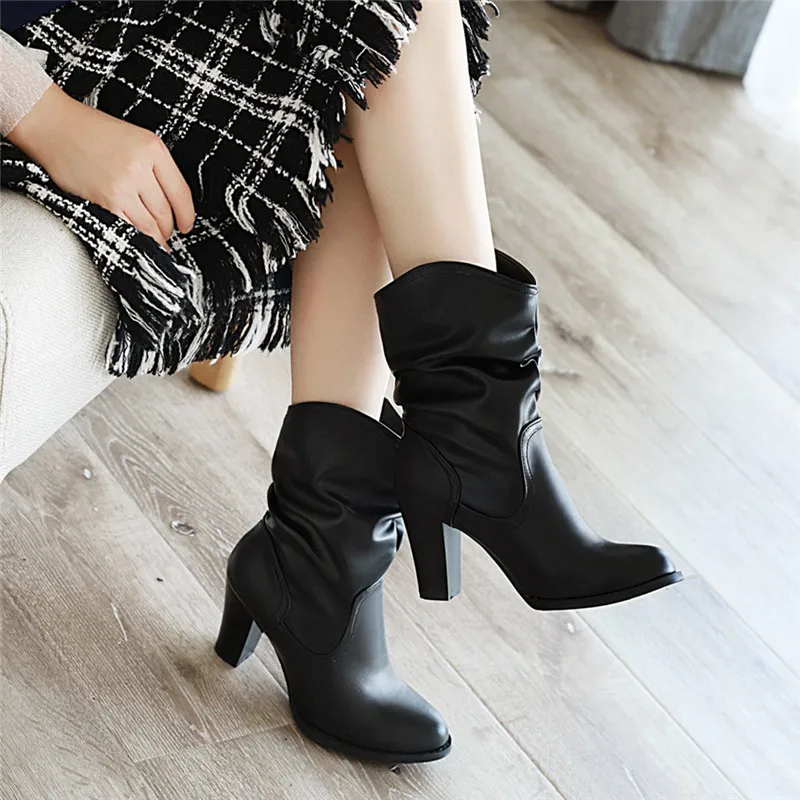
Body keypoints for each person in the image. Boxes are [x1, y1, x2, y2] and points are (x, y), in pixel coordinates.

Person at [1, 0, 682, 765]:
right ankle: (448, 468)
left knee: (366, 34)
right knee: (373, 23)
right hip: (45, 59)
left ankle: (336, 537)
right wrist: (46, 117)